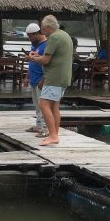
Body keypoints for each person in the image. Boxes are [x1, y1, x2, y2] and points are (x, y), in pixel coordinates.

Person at [28, 14, 73, 146]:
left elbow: (46, 60)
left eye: (42, 28)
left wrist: (32, 58)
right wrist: (38, 55)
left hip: (54, 77)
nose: (42, 31)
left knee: (43, 104)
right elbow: (53, 56)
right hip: (63, 77)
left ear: (48, 27)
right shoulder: (64, 35)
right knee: (54, 106)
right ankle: (55, 134)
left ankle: (53, 136)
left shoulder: (53, 37)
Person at [24, 23, 47, 135]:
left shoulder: (46, 45)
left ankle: (44, 127)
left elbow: (48, 65)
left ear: (37, 33)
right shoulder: (35, 45)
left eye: (30, 36)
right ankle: (39, 125)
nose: (29, 39)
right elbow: (31, 62)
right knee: (37, 105)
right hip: (33, 80)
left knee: (43, 105)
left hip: (40, 80)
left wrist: (43, 80)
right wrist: (27, 77)